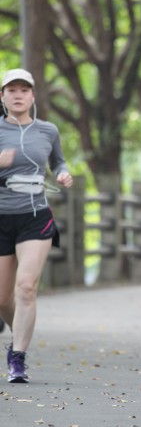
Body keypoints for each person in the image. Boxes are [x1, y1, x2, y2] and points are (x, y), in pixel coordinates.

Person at [0, 68, 73, 383]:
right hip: (2, 217)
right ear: (2, 96)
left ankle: (18, 357)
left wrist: (62, 173)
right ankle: (19, 334)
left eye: (24, 90)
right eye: (11, 90)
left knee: (26, 287)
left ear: (33, 96)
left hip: (36, 217)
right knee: (3, 299)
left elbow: (58, 160)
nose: (18, 95)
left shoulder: (48, 130)